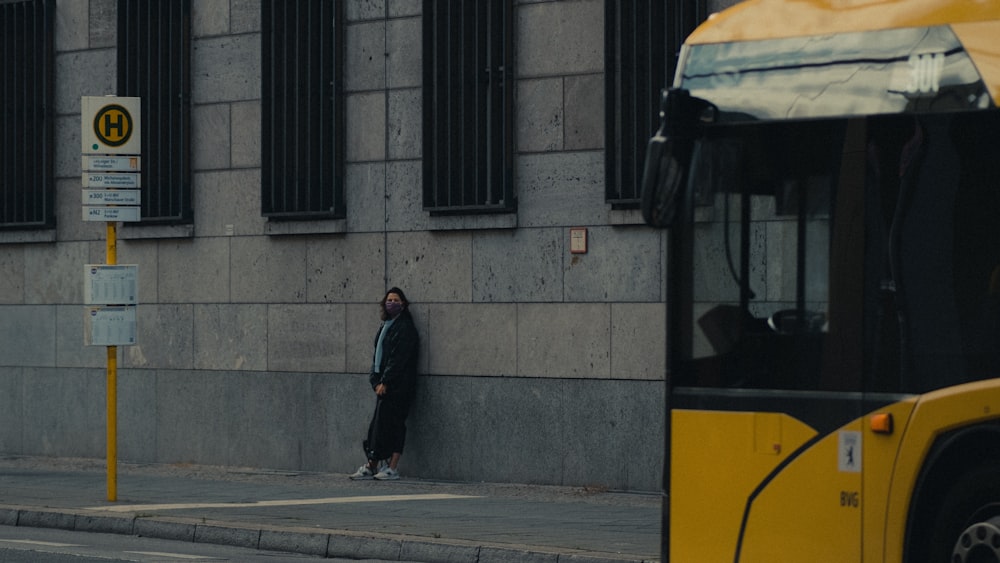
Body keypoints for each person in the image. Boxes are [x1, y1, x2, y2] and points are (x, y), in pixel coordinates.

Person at [350, 287, 420, 480]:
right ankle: (372, 464)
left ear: (403, 304)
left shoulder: (405, 327)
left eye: (396, 300)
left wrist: (386, 381)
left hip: (399, 386)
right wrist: (376, 380)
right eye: (389, 299)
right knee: (378, 426)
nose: (392, 303)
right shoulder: (386, 326)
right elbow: (378, 357)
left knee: (396, 425)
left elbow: (398, 359)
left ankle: (392, 467)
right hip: (384, 385)